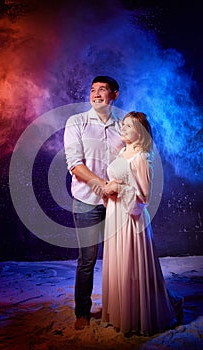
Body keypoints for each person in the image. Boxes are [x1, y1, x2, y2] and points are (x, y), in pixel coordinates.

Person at [101, 111, 183, 336]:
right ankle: (121, 312)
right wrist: (108, 188)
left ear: (141, 131)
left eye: (129, 126)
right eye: (123, 125)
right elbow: (119, 180)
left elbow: (144, 198)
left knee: (130, 262)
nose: (123, 129)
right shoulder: (123, 151)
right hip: (115, 214)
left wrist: (117, 188)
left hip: (131, 217)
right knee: (119, 263)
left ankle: (139, 315)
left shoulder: (142, 158)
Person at [64, 76, 124, 330]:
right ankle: (82, 312)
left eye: (102, 90)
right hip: (87, 202)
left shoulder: (123, 126)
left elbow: (133, 160)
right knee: (87, 259)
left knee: (119, 259)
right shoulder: (77, 122)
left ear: (115, 95)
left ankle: (119, 309)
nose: (96, 94)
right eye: (92, 90)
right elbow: (75, 166)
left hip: (117, 203)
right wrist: (104, 185)